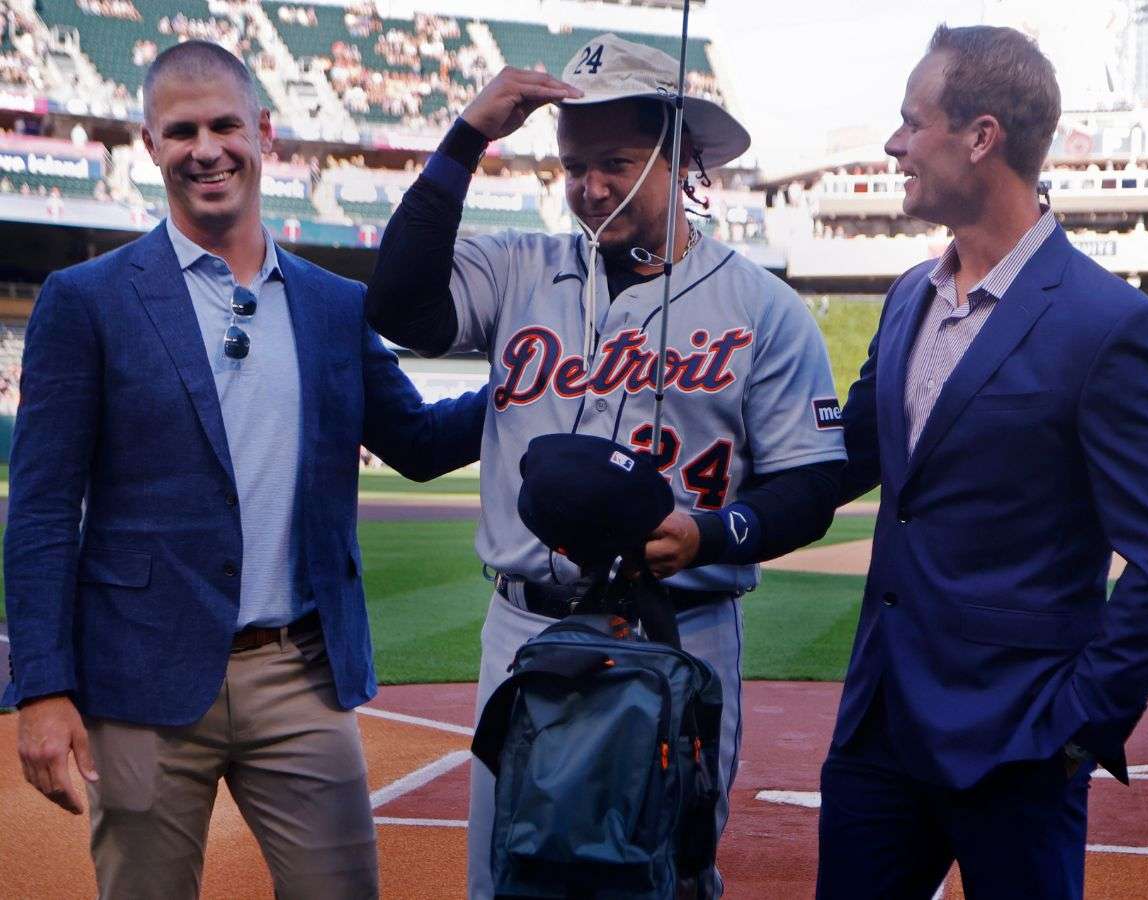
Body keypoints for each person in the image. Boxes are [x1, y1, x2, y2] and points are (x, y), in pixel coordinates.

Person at [366, 33, 847, 898]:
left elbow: (810, 485)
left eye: (616, 162)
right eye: (573, 166)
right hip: (525, 629)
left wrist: (708, 533)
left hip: (679, 628)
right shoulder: (519, 269)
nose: (589, 188)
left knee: (663, 872)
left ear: (681, 156)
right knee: (505, 874)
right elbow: (400, 305)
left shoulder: (762, 308)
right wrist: (467, 136)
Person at [4, 41, 485, 899]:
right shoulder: (87, 301)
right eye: (181, 131)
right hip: (139, 681)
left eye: (225, 124)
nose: (207, 148)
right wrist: (41, 690)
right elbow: (41, 511)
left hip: (299, 672)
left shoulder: (335, 304)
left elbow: (416, 441)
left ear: (265, 132)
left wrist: (535, 378)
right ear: (149, 147)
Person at [818, 25, 1148, 900]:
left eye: (912, 122)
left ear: (981, 136)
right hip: (878, 733)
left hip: (1019, 747)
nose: (894, 143)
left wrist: (1074, 733)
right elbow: (851, 458)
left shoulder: (1113, 328)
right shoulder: (909, 294)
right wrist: (717, 504)